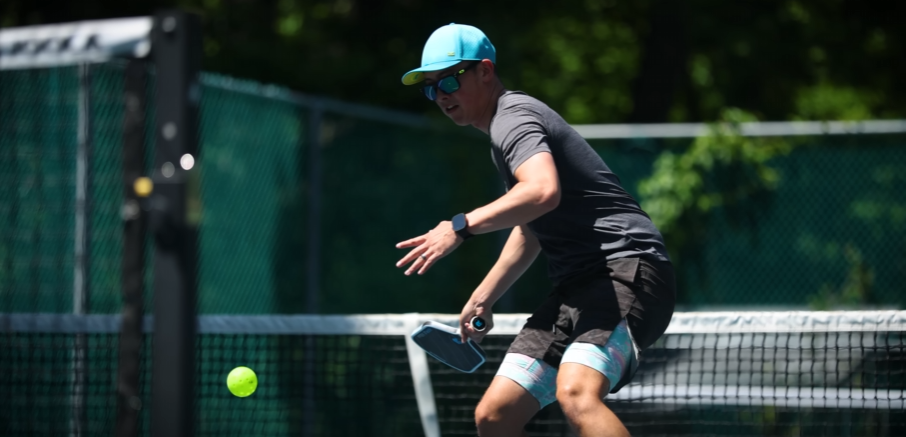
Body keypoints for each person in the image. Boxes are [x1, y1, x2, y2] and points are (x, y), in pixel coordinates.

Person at [395, 23, 676, 437]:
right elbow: (531, 225)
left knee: (577, 393)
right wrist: (483, 296)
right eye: (430, 88)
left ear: (485, 71)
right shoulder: (505, 130)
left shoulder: (512, 118)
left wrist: (460, 226)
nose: (441, 95)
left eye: (450, 81)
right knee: (495, 416)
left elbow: (542, 191)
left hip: (625, 270)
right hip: (576, 288)